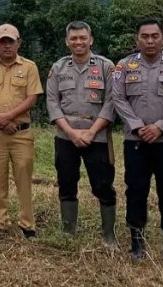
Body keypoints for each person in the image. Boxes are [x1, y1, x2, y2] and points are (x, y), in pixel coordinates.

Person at [109, 18, 163, 262]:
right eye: (144, 36)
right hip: (135, 140)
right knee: (135, 190)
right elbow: (118, 98)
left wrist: (161, 127)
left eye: (154, 36)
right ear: (137, 39)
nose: (149, 41)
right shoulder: (123, 66)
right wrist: (137, 126)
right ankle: (136, 241)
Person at [45, 21, 118, 249]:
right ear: (67, 41)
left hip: (96, 137)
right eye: (74, 38)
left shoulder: (106, 67)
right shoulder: (58, 68)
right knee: (67, 182)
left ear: (91, 39)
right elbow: (52, 102)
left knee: (103, 185)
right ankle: (68, 232)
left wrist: (92, 131)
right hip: (66, 136)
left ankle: (108, 235)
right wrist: (70, 132)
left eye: (82, 38)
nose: (78, 42)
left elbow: (112, 101)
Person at [0, 23, 43, 238]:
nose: (7, 46)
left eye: (11, 41)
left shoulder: (29, 67)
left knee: (23, 177)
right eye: (2, 42)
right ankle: (0, 222)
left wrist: (8, 117)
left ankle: (27, 224)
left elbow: (33, 97)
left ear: (18, 43)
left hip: (21, 132)